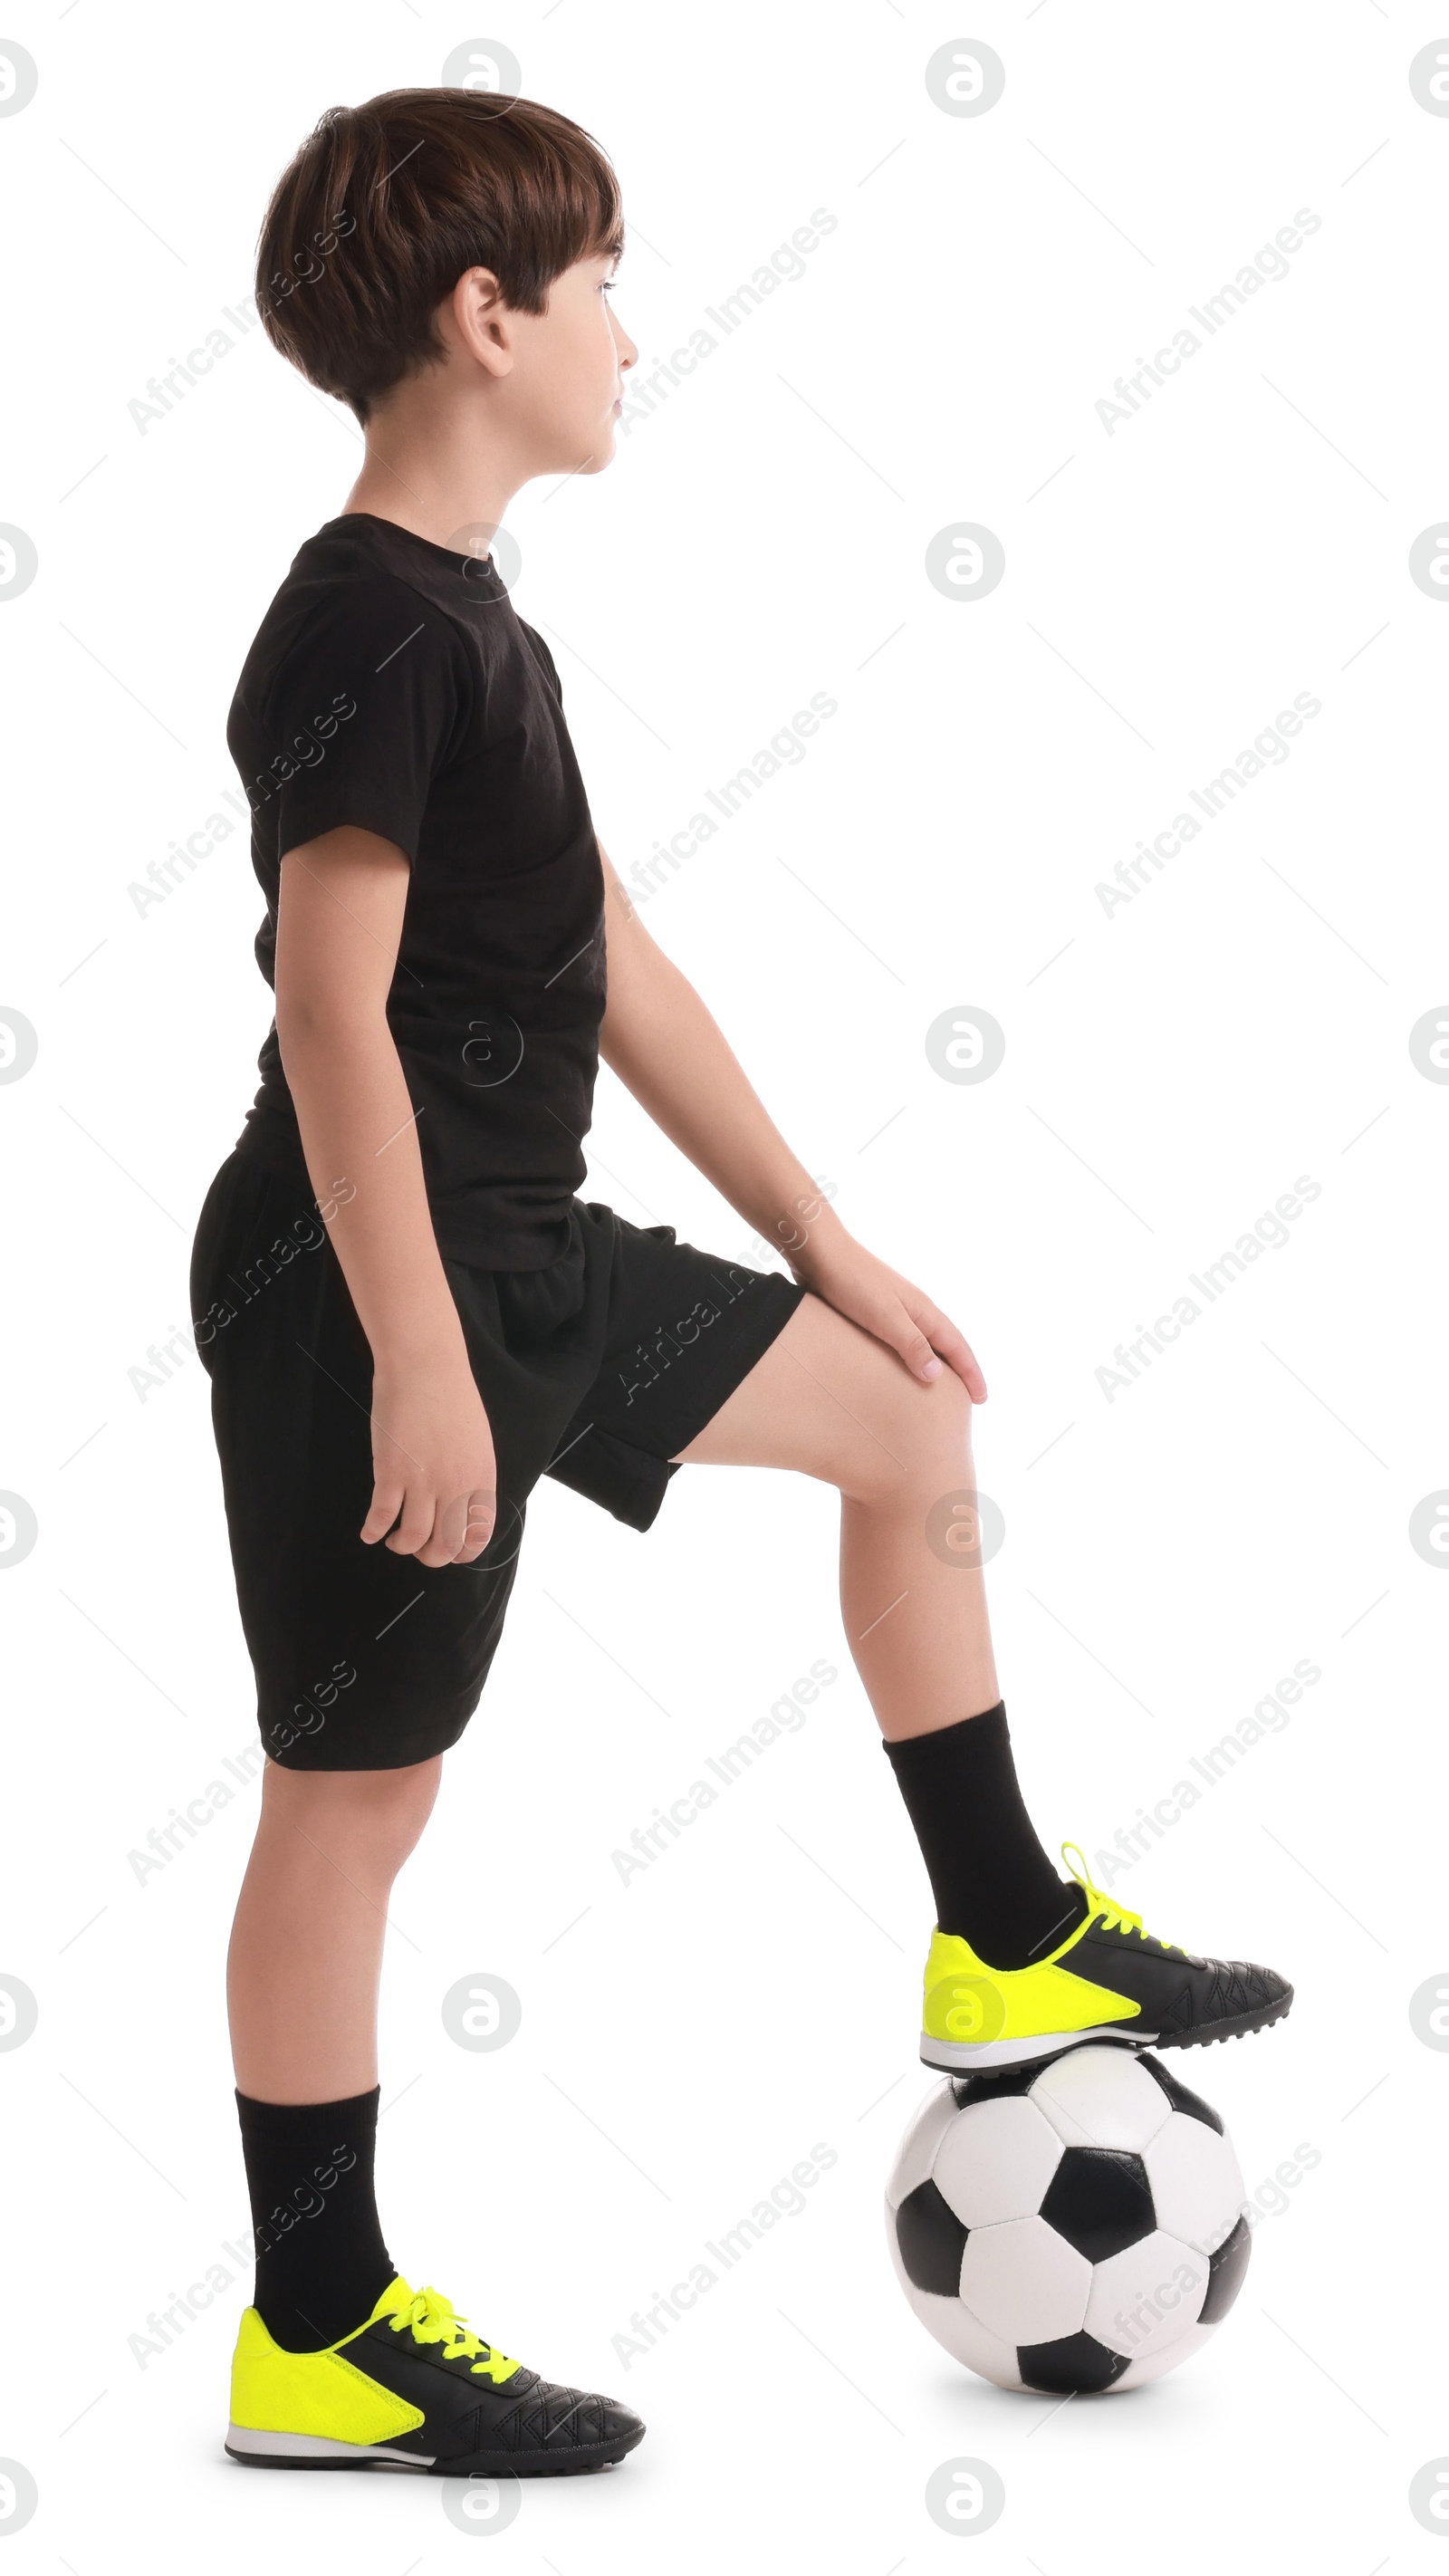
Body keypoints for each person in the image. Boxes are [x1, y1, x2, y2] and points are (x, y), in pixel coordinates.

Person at [191, 84, 1291, 2481]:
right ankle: (318, 2327)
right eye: (596, 286)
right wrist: (411, 1361)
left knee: (909, 1423)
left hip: (512, 1247)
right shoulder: (365, 617)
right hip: (361, 1273)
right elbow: (327, 1006)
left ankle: (998, 1927)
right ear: (486, 321)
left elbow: (610, 958)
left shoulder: (473, 620)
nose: (624, 333)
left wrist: (827, 1240)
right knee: (357, 1801)